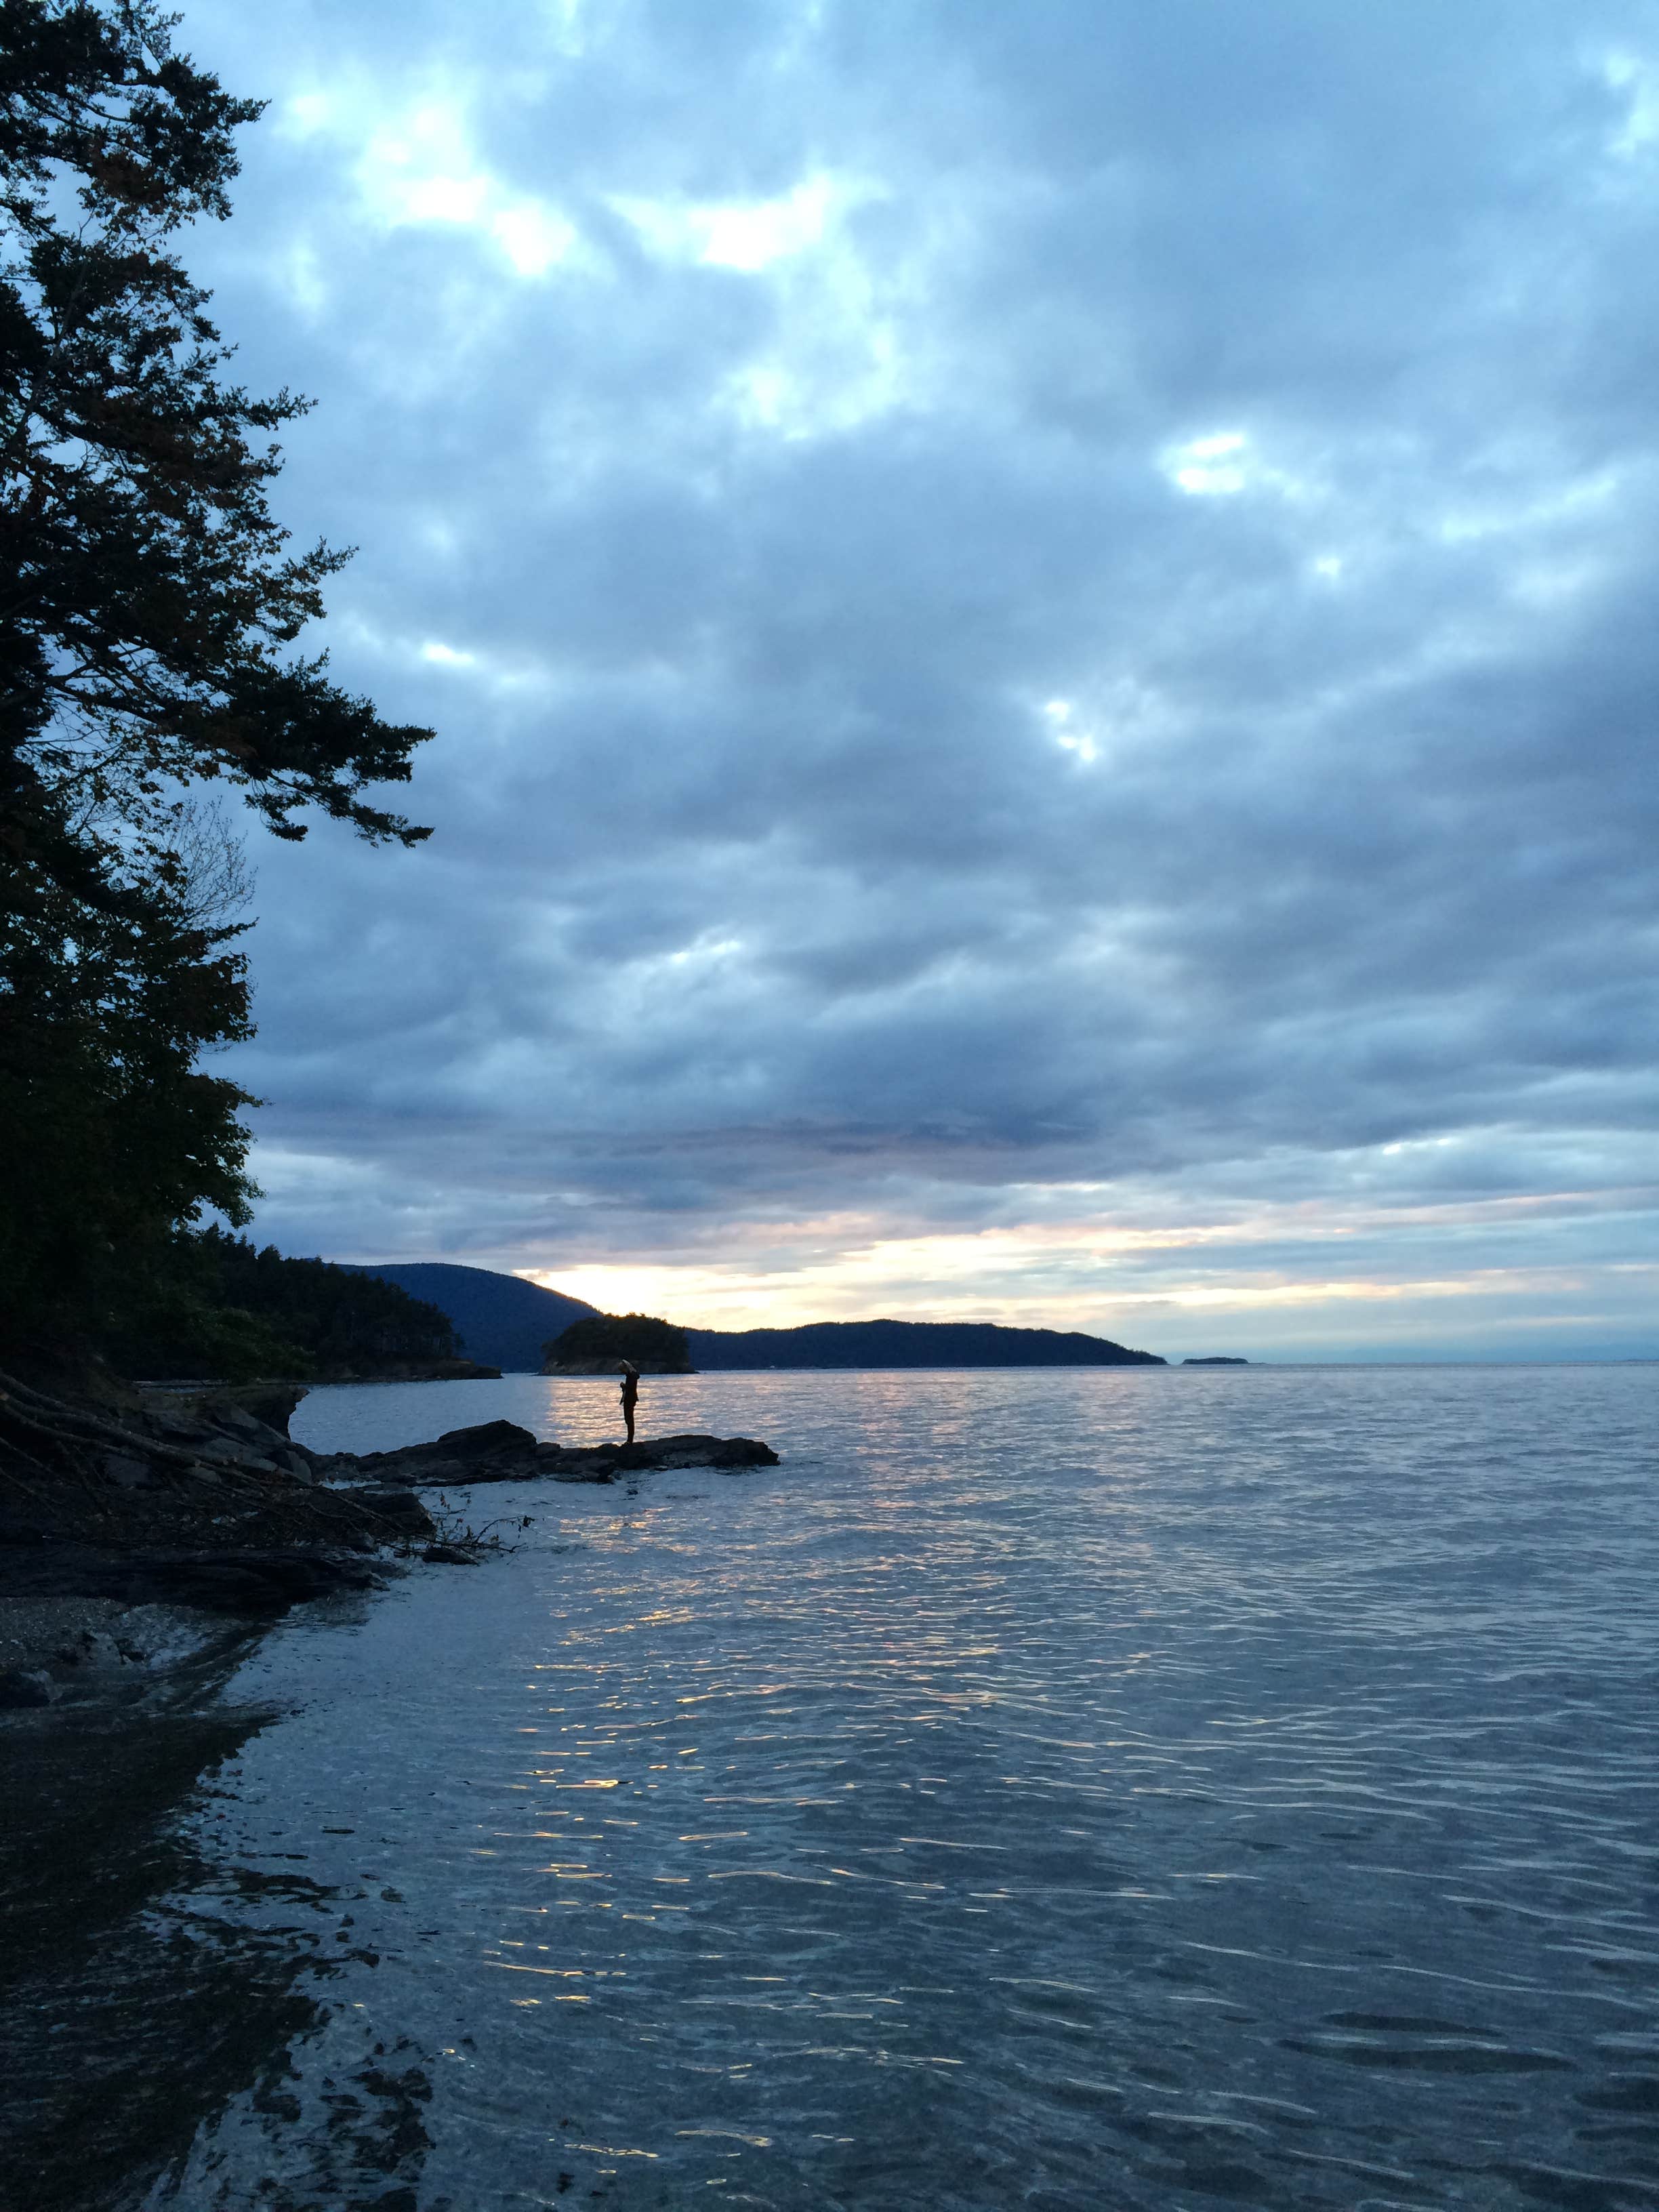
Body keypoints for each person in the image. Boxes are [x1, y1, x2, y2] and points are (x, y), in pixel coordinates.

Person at [619, 1361, 640, 1444]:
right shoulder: (631, 1375)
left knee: (629, 1420)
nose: (622, 1372)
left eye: (622, 1370)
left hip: (630, 1399)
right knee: (628, 1420)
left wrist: (623, 1386)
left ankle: (630, 1440)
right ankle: (629, 1439)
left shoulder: (632, 1376)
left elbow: (630, 1387)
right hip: (630, 1399)